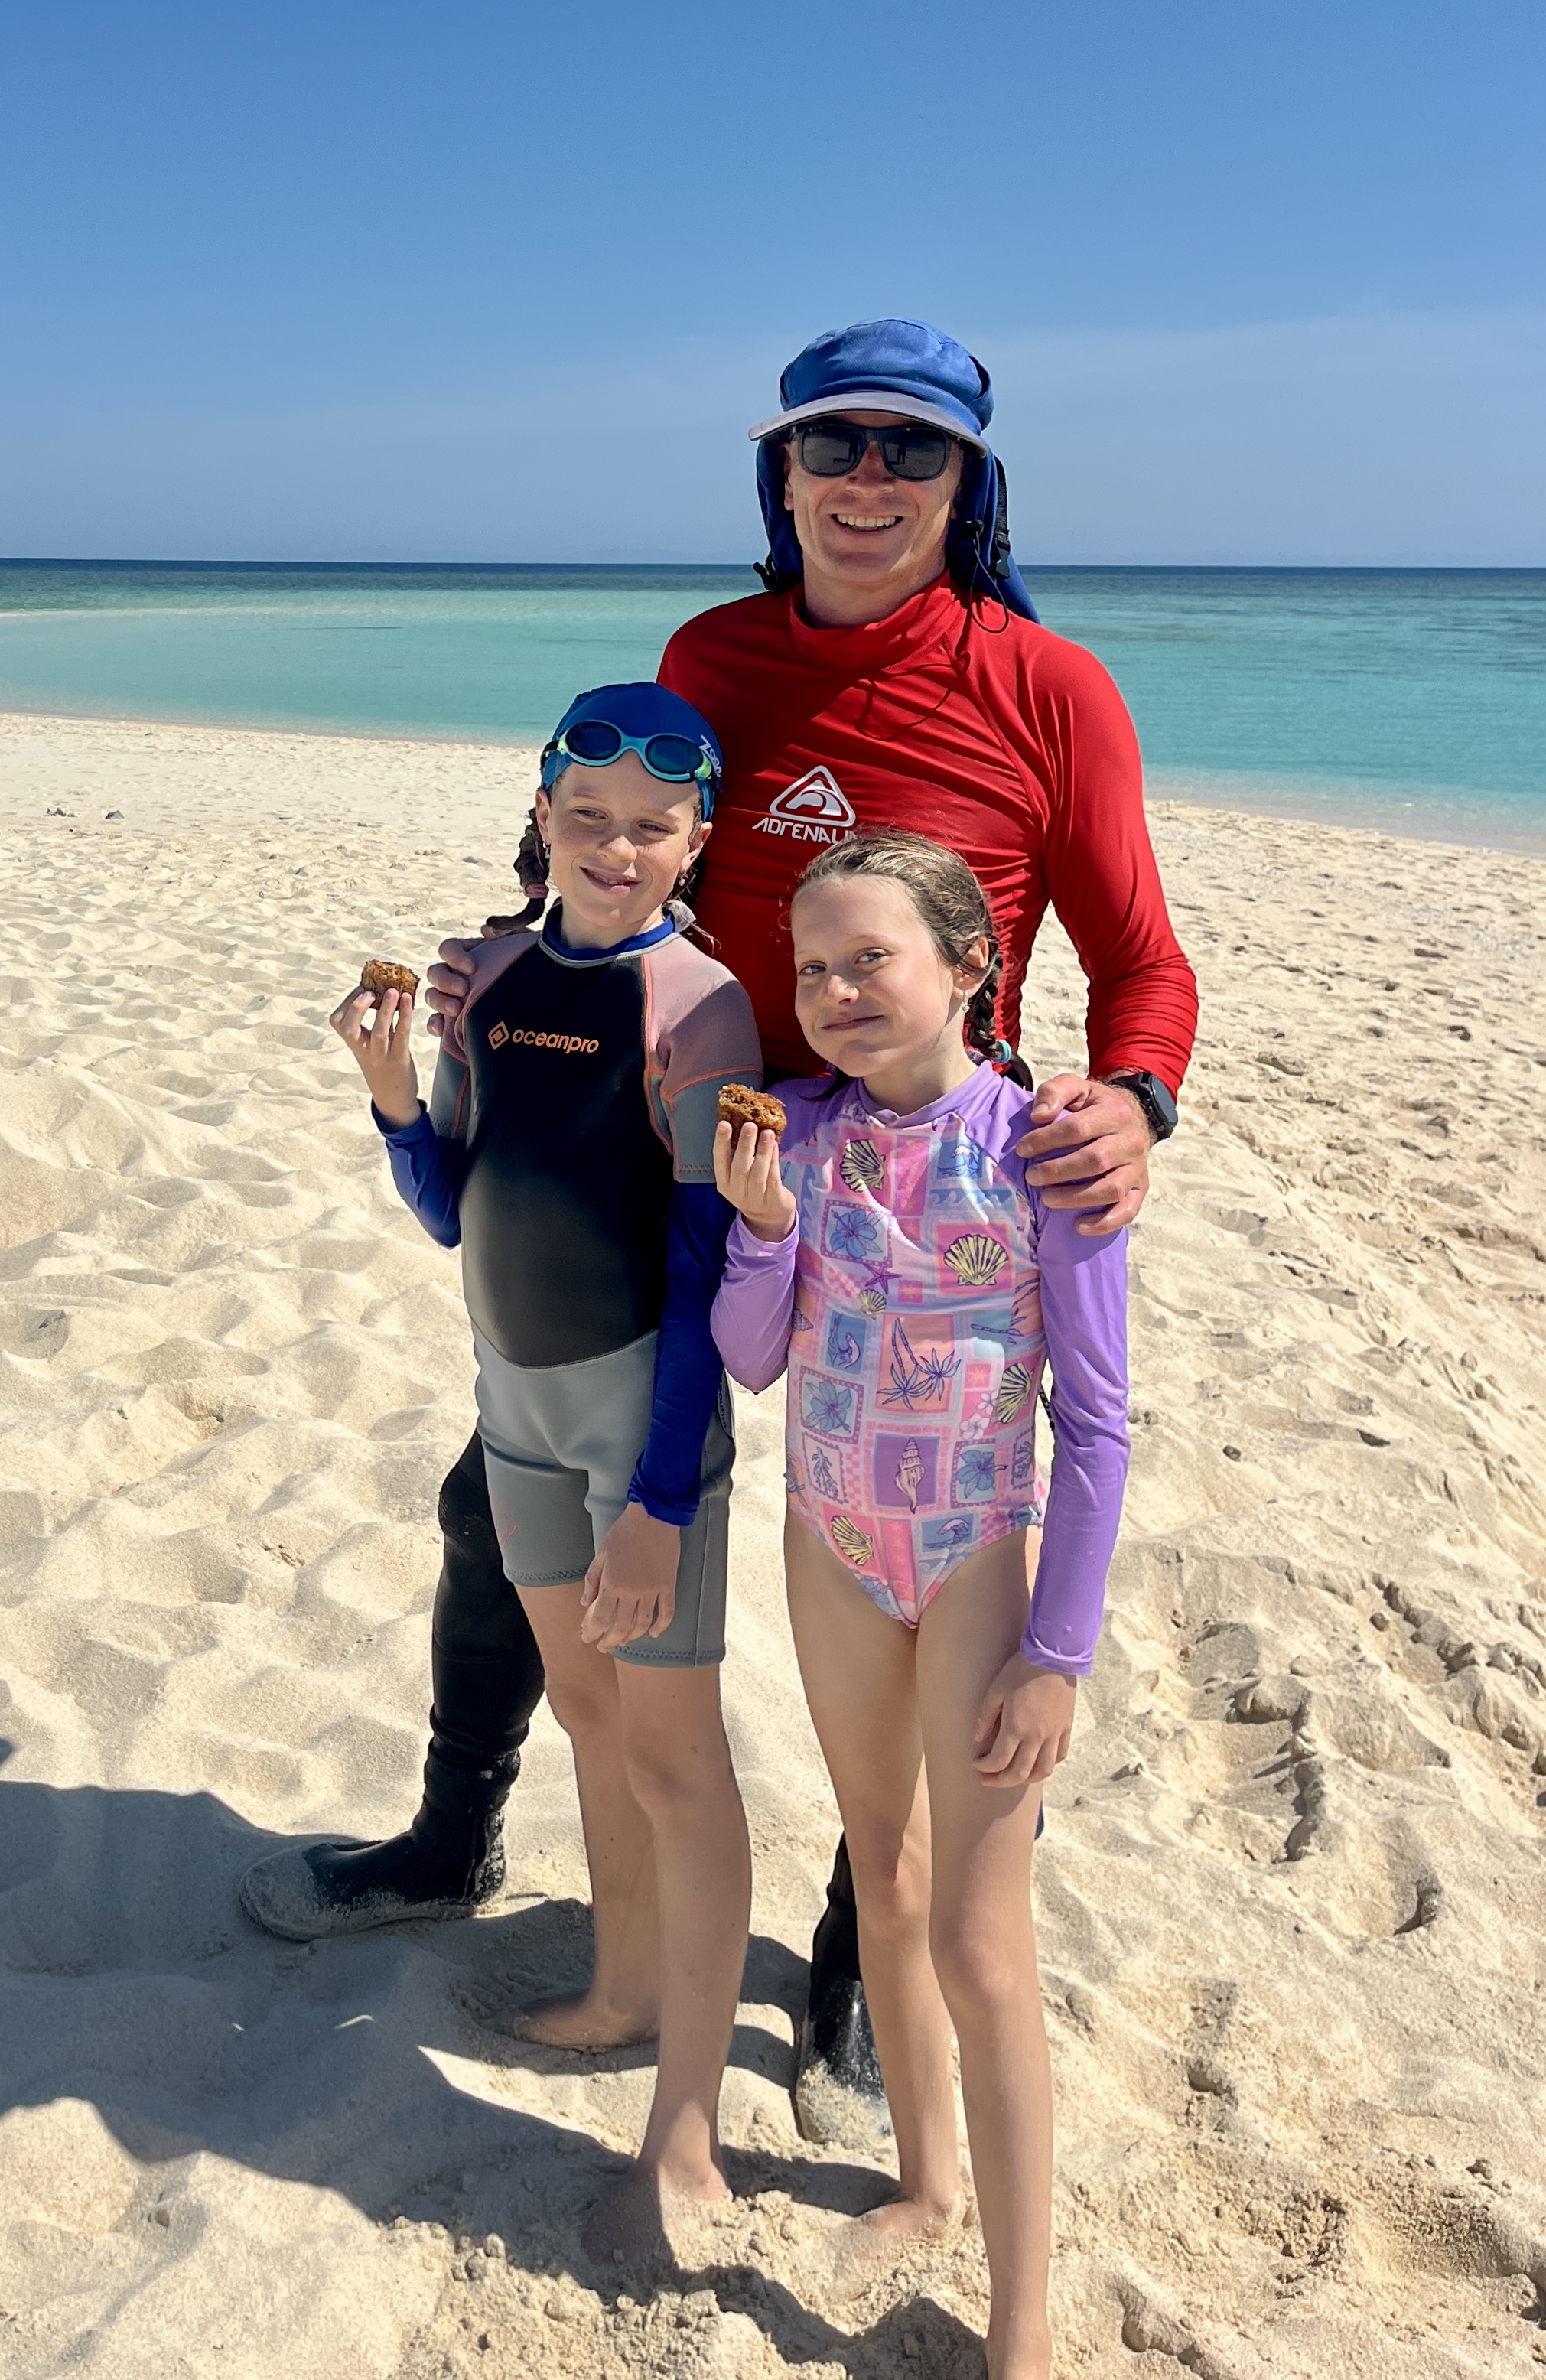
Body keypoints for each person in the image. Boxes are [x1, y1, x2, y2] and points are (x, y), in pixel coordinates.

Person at [238, 319, 1196, 2144]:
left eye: (909, 453)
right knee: (493, 1501)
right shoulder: (714, 653)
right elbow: (628, 839)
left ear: (966, 485)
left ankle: (854, 1946)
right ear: (778, 473)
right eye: (827, 444)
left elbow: (1141, 957)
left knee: (906, 1557)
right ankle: (453, 1833)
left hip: (917, 1201)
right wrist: (521, 960)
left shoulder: (1047, 687)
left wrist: (1129, 1103)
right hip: (687, 1157)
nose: (864, 479)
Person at [310, 682, 765, 2244]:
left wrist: (656, 1497)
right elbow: (452, 1206)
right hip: (511, 1398)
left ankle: (678, 2077)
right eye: (589, 820)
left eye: (652, 825)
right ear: (542, 817)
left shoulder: (700, 1005)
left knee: (672, 1748)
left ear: (695, 835)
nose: (618, 848)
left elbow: (707, 1266)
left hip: (641, 1412)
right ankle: (621, 1982)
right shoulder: (488, 974)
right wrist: (391, 1101)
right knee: (581, 1705)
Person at [711, 828, 1129, 2377]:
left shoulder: (1045, 1150)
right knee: (878, 1878)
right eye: (808, 967)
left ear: (968, 966)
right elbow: (756, 1355)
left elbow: (1094, 1424)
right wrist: (757, 1227)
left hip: (968, 1555)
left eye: (865, 958)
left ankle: (1021, 2325)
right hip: (828, 1539)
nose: (828, 991)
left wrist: (1055, 1653)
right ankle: (925, 2176)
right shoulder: (798, 1138)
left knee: (978, 1935)